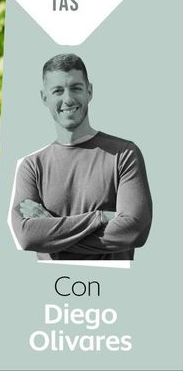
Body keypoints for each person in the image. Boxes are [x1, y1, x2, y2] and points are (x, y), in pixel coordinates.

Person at [10, 53, 152, 261]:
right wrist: (101, 217)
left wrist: (51, 233)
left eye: (76, 88)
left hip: (111, 288)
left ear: (89, 91)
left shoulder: (124, 154)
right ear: (44, 98)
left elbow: (135, 232)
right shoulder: (32, 166)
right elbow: (27, 237)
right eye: (57, 90)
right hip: (48, 287)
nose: (68, 99)